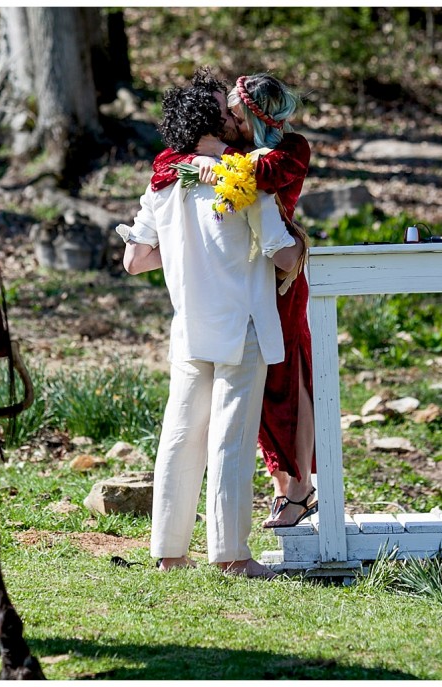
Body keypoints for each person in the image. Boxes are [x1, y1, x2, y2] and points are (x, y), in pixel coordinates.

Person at [118, 77, 304, 579]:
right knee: (230, 440)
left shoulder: (162, 184)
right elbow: (281, 253)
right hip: (240, 325)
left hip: (189, 326)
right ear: (209, 120)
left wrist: (184, 252)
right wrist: (301, 243)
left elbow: (135, 260)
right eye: (225, 110)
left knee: (179, 436)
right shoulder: (241, 180)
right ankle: (230, 555)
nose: (233, 117)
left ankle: (169, 551)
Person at [150, 71, 317, 529]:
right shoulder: (231, 153)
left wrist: (217, 159)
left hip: (280, 279)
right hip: (242, 281)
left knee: (289, 379)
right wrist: (203, 160)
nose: (227, 119)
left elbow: (263, 178)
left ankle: (301, 487)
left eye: (234, 112)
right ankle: (283, 487)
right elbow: (167, 166)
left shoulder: (288, 150)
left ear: (251, 115)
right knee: (254, 397)